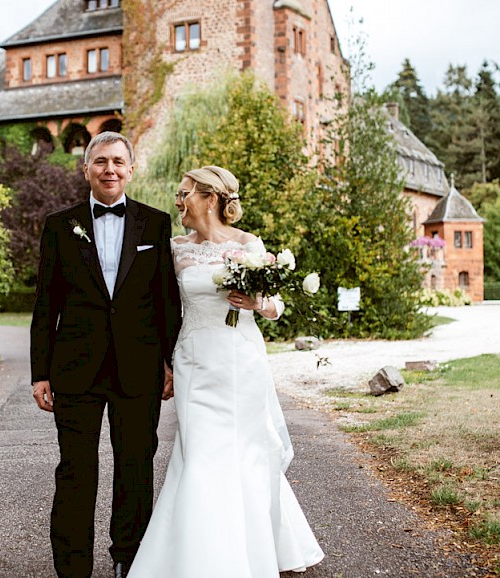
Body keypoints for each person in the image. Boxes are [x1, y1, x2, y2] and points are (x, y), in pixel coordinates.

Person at [128, 166, 325, 577]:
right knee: (199, 454)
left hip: (241, 359)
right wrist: (161, 361)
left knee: (247, 452)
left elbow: (275, 306)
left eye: (185, 194)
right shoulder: (176, 248)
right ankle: (202, 559)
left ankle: (249, 552)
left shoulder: (249, 244)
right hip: (194, 362)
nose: (178, 201)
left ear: (211, 198)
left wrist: (258, 305)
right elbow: (162, 308)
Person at [30, 131, 182, 578]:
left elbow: (166, 300)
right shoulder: (60, 225)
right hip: (74, 368)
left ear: (131, 169)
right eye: (100, 162)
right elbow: (45, 304)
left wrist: (169, 362)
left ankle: (128, 560)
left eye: (118, 162)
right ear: (86, 170)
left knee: (135, 468)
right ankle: (73, 568)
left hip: (139, 368)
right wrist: (41, 372)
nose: (109, 169)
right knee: (76, 471)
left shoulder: (155, 224)